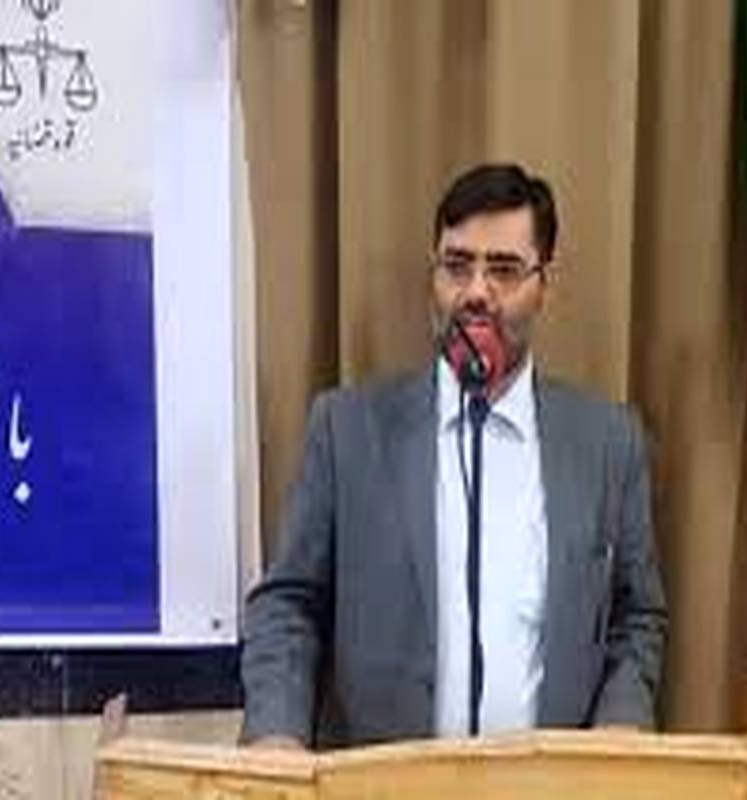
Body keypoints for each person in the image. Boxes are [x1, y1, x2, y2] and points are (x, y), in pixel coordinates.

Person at [240, 163, 667, 749]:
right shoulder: (347, 430)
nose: (476, 293)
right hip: (380, 783)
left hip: (550, 785)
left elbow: (635, 618)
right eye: (457, 265)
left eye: (504, 270)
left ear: (546, 283)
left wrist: (619, 733)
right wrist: (276, 736)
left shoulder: (608, 443)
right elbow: (289, 605)